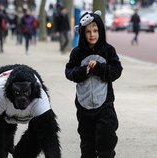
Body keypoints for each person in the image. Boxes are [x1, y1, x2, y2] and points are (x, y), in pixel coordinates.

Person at [65, 10, 123, 158]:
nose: (92, 35)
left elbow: (116, 71)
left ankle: (106, 153)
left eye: (96, 30)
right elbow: (69, 72)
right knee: (87, 142)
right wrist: (83, 71)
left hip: (104, 104)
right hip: (84, 106)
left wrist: (98, 68)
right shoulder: (77, 53)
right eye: (88, 31)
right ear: (82, 33)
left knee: (106, 136)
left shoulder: (108, 50)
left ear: (101, 31)